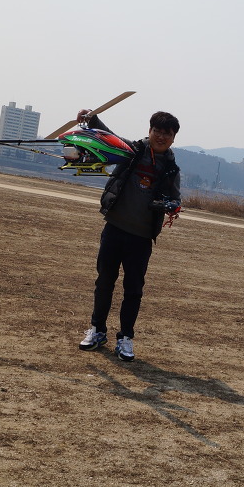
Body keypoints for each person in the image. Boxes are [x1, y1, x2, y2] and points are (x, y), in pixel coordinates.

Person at [78, 109, 181, 361]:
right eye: (157, 131)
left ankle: (125, 338)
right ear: (149, 131)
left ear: (173, 138)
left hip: (142, 237)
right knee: (104, 281)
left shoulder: (171, 169)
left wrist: (172, 205)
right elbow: (108, 137)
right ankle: (97, 330)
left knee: (133, 290)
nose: (161, 137)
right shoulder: (131, 151)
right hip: (114, 228)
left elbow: (175, 197)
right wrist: (91, 119)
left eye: (167, 134)